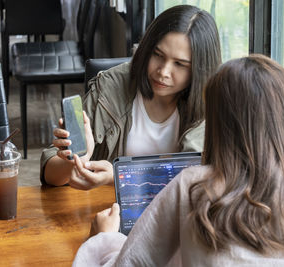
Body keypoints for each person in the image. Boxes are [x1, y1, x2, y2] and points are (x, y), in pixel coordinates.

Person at [72, 54, 284, 266]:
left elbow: (131, 263)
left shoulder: (193, 187)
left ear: (218, 123)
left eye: (181, 64)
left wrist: (104, 240)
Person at [40, 5, 222, 189]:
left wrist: (120, 177)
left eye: (180, 64)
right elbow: (50, 175)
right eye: (157, 55)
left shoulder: (211, 107)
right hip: (110, 212)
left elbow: (205, 184)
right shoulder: (111, 86)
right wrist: (74, 159)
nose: (163, 72)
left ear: (200, 70)